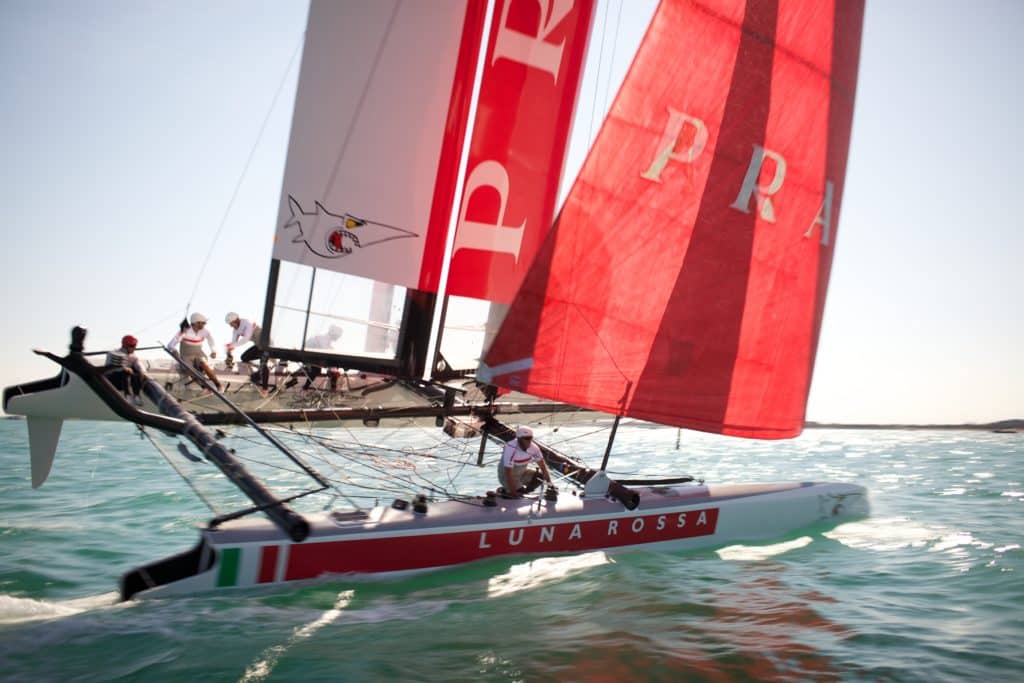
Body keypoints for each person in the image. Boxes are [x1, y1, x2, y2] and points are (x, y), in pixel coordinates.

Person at [166, 312, 222, 391]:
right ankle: (205, 387)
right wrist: (174, 351)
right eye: (203, 323)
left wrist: (213, 351)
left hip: (198, 353)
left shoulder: (205, 331)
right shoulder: (184, 330)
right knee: (190, 370)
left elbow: (211, 341)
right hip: (186, 355)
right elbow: (170, 345)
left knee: (204, 364)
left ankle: (218, 385)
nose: (205, 324)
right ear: (196, 323)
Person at [498, 425, 552, 497]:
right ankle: (506, 490)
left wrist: (550, 485)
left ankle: (524, 492)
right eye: (526, 439)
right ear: (519, 438)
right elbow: (508, 473)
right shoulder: (511, 448)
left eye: (530, 438)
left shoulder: (534, 448)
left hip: (521, 473)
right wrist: (513, 493)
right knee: (517, 492)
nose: (529, 441)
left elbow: (543, 467)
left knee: (540, 476)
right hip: (506, 475)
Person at [284, 324, 342, 390]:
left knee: (319, 368)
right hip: (308, 357)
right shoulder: (323, 339)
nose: (338, 338)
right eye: (338, 335)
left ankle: (298, 379)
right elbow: (324, 350)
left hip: (309, 358)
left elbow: (326, 349)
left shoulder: (324, 339)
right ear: (334, 334)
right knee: (319, 368)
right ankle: (304, 385)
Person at [104, 334, 147, 406]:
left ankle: (136, 395)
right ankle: (128, 396)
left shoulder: (133, 356)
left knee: (138, 372)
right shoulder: (113, 353)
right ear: (125, 345)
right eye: (132, 346)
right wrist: (124, 368)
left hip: (125, 381)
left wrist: (142, 372)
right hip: (113, 381)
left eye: (135, 346)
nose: (134, 348)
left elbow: (139, 365)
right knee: (125, 371)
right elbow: (110, 368)